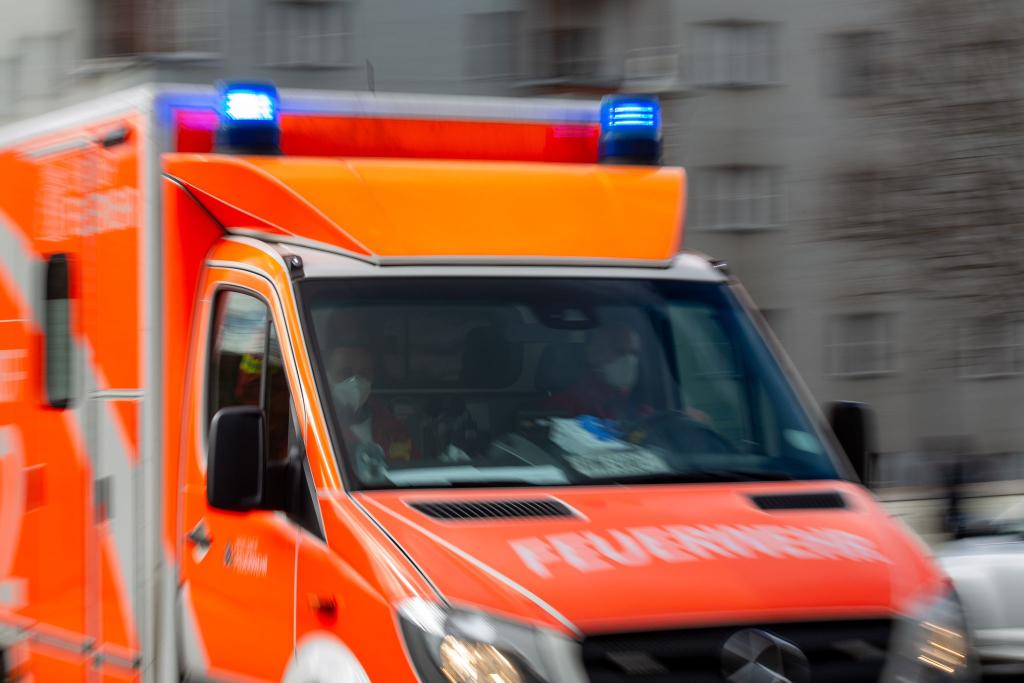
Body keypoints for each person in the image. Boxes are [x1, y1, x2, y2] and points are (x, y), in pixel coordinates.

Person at [327, 344, 417, 467]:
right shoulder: (319, 430)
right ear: (326, 377)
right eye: (345, 373)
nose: (355, 380)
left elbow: (412, 471)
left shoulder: (394, 428)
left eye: (363, 374)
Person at [546, 324, 651, 422]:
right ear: (593, 354)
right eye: (620, 351)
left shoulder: (641, 410)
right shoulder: (564, 406)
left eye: (634, 353)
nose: (629, 360)